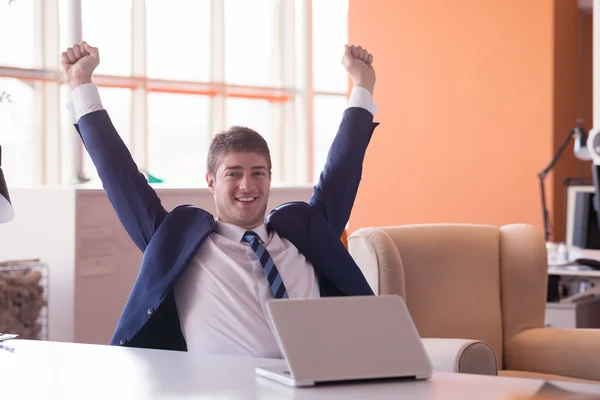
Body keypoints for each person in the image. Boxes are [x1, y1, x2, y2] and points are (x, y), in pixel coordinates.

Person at [60, 41, 379, 358]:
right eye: (233, 173)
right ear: (210, 181)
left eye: (258, 173)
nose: (247, 185)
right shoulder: (182, 243)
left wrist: (362, 84)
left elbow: (343, 170)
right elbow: (122, 180)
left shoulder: (304, 234)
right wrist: (81, 85)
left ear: (270, 177)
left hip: (318, 385)